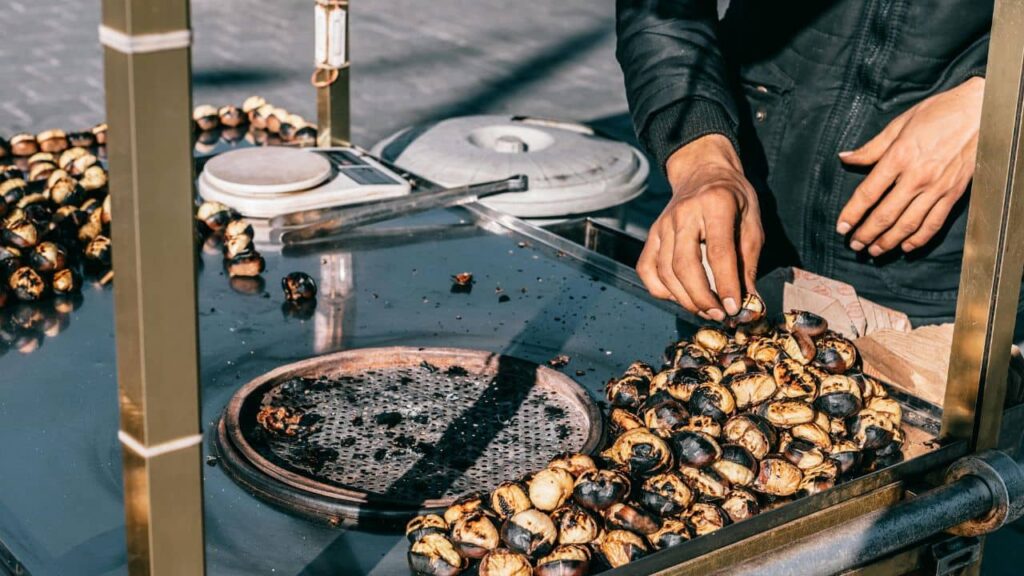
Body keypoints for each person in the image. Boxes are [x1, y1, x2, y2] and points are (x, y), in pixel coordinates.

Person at [616, 0, 996, 329]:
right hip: (751, 195)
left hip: (947, 244)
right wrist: (699, 156)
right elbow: (662, 11)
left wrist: (997, 102)